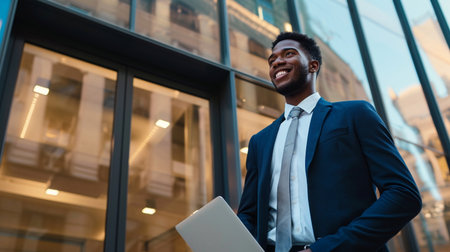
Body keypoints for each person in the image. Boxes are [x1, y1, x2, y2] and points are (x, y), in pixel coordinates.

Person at [237, 32, 422, 252]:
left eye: (288, 54)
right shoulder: (260, 141)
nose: (277, 61)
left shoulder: (355, 115)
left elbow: (403, 194)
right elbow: (249, 213)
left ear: (313, 66)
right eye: (272, 59)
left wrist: (327, 248)